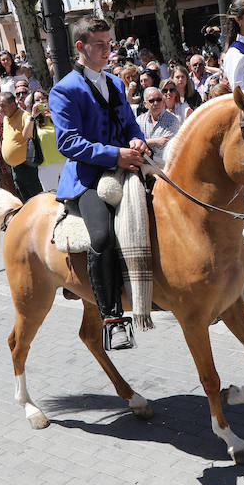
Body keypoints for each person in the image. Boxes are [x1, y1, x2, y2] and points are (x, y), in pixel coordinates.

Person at [50, 17, 149, 343]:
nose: (109, 50)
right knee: (103, 235)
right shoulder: (64, 90)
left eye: (110, 43)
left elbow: (130, 125)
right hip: (87, 178)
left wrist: (136, 140)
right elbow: (68, 143)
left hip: (127, 164)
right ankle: (112, 318)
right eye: (101, 45)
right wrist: (115, 155)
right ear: (81, 47)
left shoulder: (117, 83)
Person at [0, 91, 43, 201]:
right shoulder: (5, 118)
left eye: (3, 105)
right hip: (15, 168)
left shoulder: (24, 116)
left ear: (12, 105)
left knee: (36, 198)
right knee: (25, 199)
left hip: (27, 166)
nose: (0, 109)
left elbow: (28, 135)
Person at [136, 86, 179, 166]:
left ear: (163, 101)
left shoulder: (173, 120)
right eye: (151, 101)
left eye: (159, 100)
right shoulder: (139, 120)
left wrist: (145, 142)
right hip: (142, 163)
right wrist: (155, 141)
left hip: (163, 165)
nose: (156, 103)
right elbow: (136, 143)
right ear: (145, 104)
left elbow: (165, 145)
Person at [31, 94, 65, 191]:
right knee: (51, 198)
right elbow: (26, 135)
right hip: (46, 166)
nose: (41, 101)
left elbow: (66, 131)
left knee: (71, 195)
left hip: (65, 161)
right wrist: (33, 116)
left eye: (43, 98)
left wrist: (54, 116)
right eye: (37, 100)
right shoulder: (32, 120)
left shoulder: (57, 115)